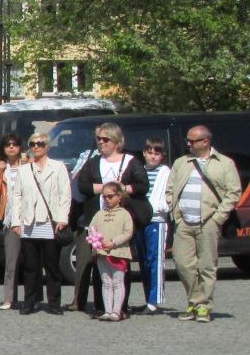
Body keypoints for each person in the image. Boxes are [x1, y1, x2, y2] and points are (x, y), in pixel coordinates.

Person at [166, 124, 242, 323]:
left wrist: (218, 218)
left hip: (209, 221)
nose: (189, 144)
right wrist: (176, 212)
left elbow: (234, 192)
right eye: (188, 140)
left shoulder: (224, 163)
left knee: (207, 266)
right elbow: (171, 187)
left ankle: (202, 307)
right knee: (182, 263)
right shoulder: (181, 162)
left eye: (193, 140)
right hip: (184, 222)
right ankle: (195, 299)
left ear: (206, 141)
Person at [73, 122, 148, 317]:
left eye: (105, 139)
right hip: (99, 218)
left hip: (121, 219)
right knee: (100, 263)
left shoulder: (131, 161)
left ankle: (120, 307)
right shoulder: (93, 162)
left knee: (120, 263)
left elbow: (142, 186)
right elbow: (84, 186)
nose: (101, 142)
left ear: (116, 141)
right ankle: (102, 305)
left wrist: (120, 189)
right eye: (99, 139)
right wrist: (106, 188)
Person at [8, 133, 71, 316]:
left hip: (50, 223)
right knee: (30, 267)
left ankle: (54, 303)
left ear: (47, 147)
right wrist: (15, 221)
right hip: (29, 223)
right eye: (32, 143)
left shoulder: (58, 167)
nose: (36, 146)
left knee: (52, 266)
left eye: (40, 143)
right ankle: (30, 302)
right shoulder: (24, 170)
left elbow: (65, 194)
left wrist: (62, 219)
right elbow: (16, 196)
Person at [0, 134, 26, 308]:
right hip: (9, 217)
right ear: (3, 149)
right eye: (8, 145)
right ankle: (9, 298)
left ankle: (33, 298)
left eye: (15, 144)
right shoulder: (2, 169)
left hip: (29, 217)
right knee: (11, 262)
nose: (11, 147)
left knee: (33, 261)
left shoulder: (28, 166)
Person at [87, 183, 134, 322]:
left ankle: (116, 311)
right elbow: (91, 228)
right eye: (104, 196)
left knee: (118, 282)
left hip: (118, 253)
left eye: (110, 196)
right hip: (102, 253)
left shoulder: (125, 214)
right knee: (106, 282)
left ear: (119, 196)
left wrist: (113, 242)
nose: (107, 199)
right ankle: (107, 310)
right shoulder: (99, 214)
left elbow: (128, 232)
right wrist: (95, 239)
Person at [139, 138, 171, 312]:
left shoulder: (165, 172)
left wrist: (156, 208)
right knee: (143, 260)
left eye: (156, 153)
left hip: (156, 220)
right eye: (149, 152)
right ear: (144, 153)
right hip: (140, 221)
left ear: (162, 156)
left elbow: (168, 197)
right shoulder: (140, 171)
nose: (152, 156)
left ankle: (154, 300)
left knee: (155, 260)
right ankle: (147, 298)